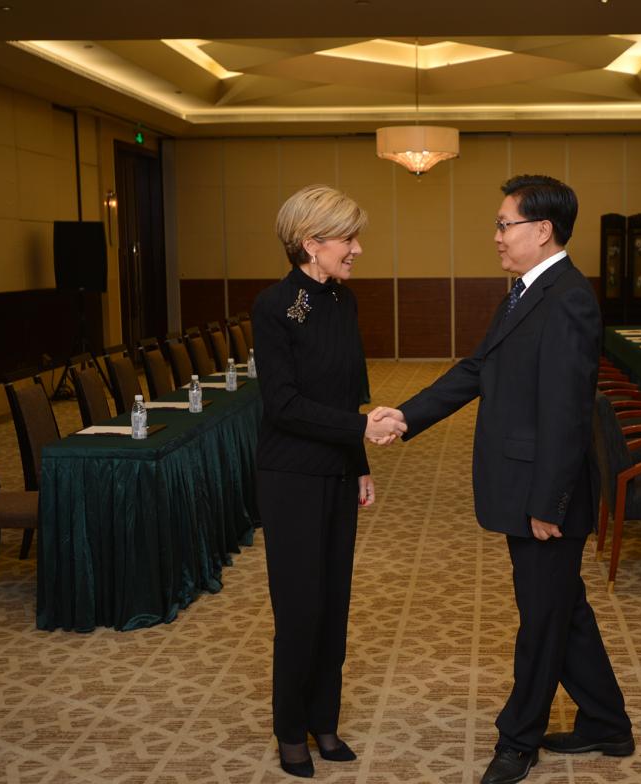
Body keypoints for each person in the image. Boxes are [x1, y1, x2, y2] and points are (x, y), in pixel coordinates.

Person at [374, 175, 633, 784]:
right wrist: (406, 416)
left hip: (547, 493)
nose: (495, 236)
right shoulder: (524, 291)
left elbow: (569, 413)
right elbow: (479, 369)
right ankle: (606, 722)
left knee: (541, 618)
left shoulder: (567, 297)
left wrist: (550, 503)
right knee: (561, 606)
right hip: (524, 483)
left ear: (542, 231)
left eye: (503, 224)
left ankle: (518, 740)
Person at [252, 185, 406, 778]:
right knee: (299, 607)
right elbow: (283, 404)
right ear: (310, 243)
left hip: (338, 471)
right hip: (289, 474)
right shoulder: (273, 305)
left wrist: (359, 462)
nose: (358, 249)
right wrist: (361, 428)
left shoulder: (344, 301)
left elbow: (348, 393)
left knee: (334, 604)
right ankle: (290, 729)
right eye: (348, 239)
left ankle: (324, 721)